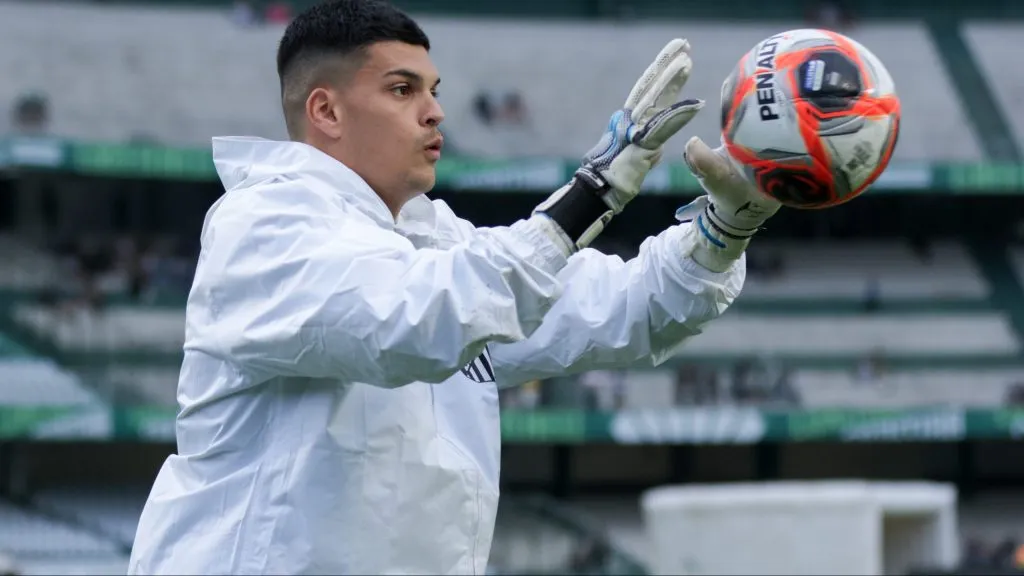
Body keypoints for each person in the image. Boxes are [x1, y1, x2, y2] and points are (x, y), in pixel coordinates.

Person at [127, 0, 780, 574]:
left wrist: (724, 229)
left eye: (434, 89)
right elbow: (408, 320)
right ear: (326, 109)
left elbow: (632, 311)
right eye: (403, 89)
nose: (436, 112)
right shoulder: (263, 224)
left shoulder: (437, 242)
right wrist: (591, 194)